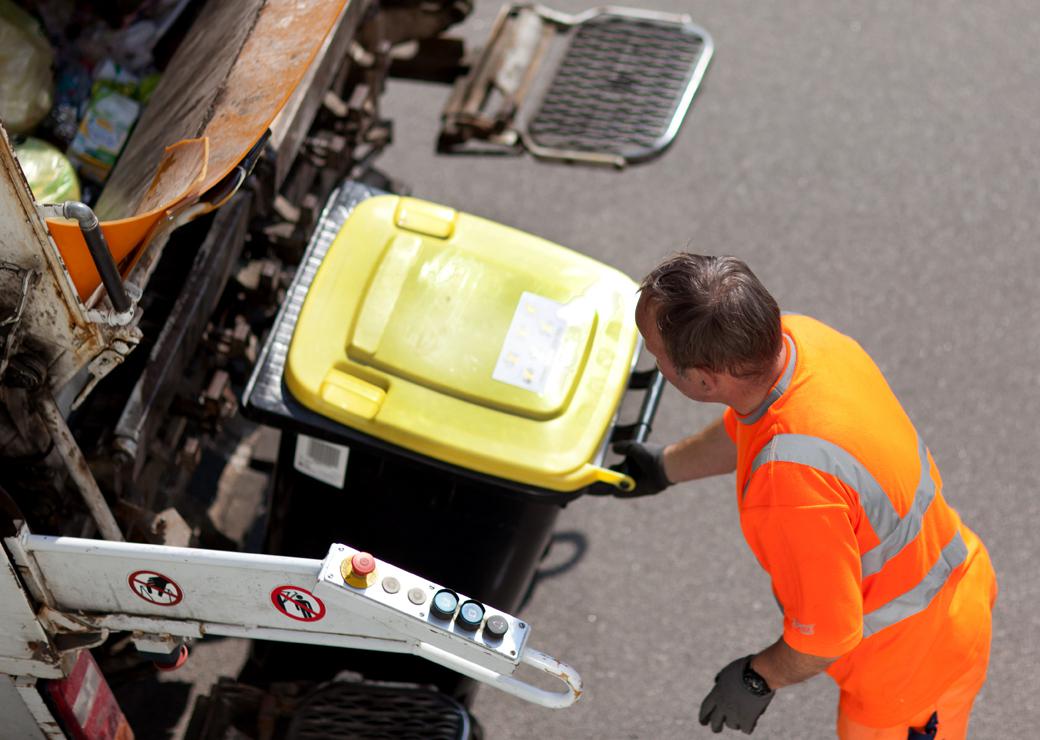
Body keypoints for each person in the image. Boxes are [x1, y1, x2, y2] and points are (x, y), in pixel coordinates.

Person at [604, 253, 997, 738]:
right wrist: (665, 467)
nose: (654, 360)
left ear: (704, 378)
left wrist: (756, 677)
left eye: (655, 352)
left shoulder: (790, 485)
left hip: (906, 671)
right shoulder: (801, 341)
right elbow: (747, 425)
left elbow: (827, 637)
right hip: (957, 588)